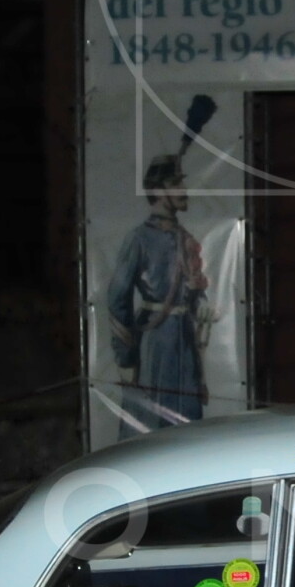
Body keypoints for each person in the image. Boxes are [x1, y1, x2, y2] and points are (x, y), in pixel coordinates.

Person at [104, 153, 207, 434]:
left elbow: (193, 290)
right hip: (153, 345)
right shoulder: (139, 239)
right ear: (158, 191)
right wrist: (126, 357)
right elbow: (117, 298)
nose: (183, 190)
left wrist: (201, 304)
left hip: (185, 344)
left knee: (190, 429)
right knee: (147, 428)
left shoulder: (185, 238)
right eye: (175, 184)